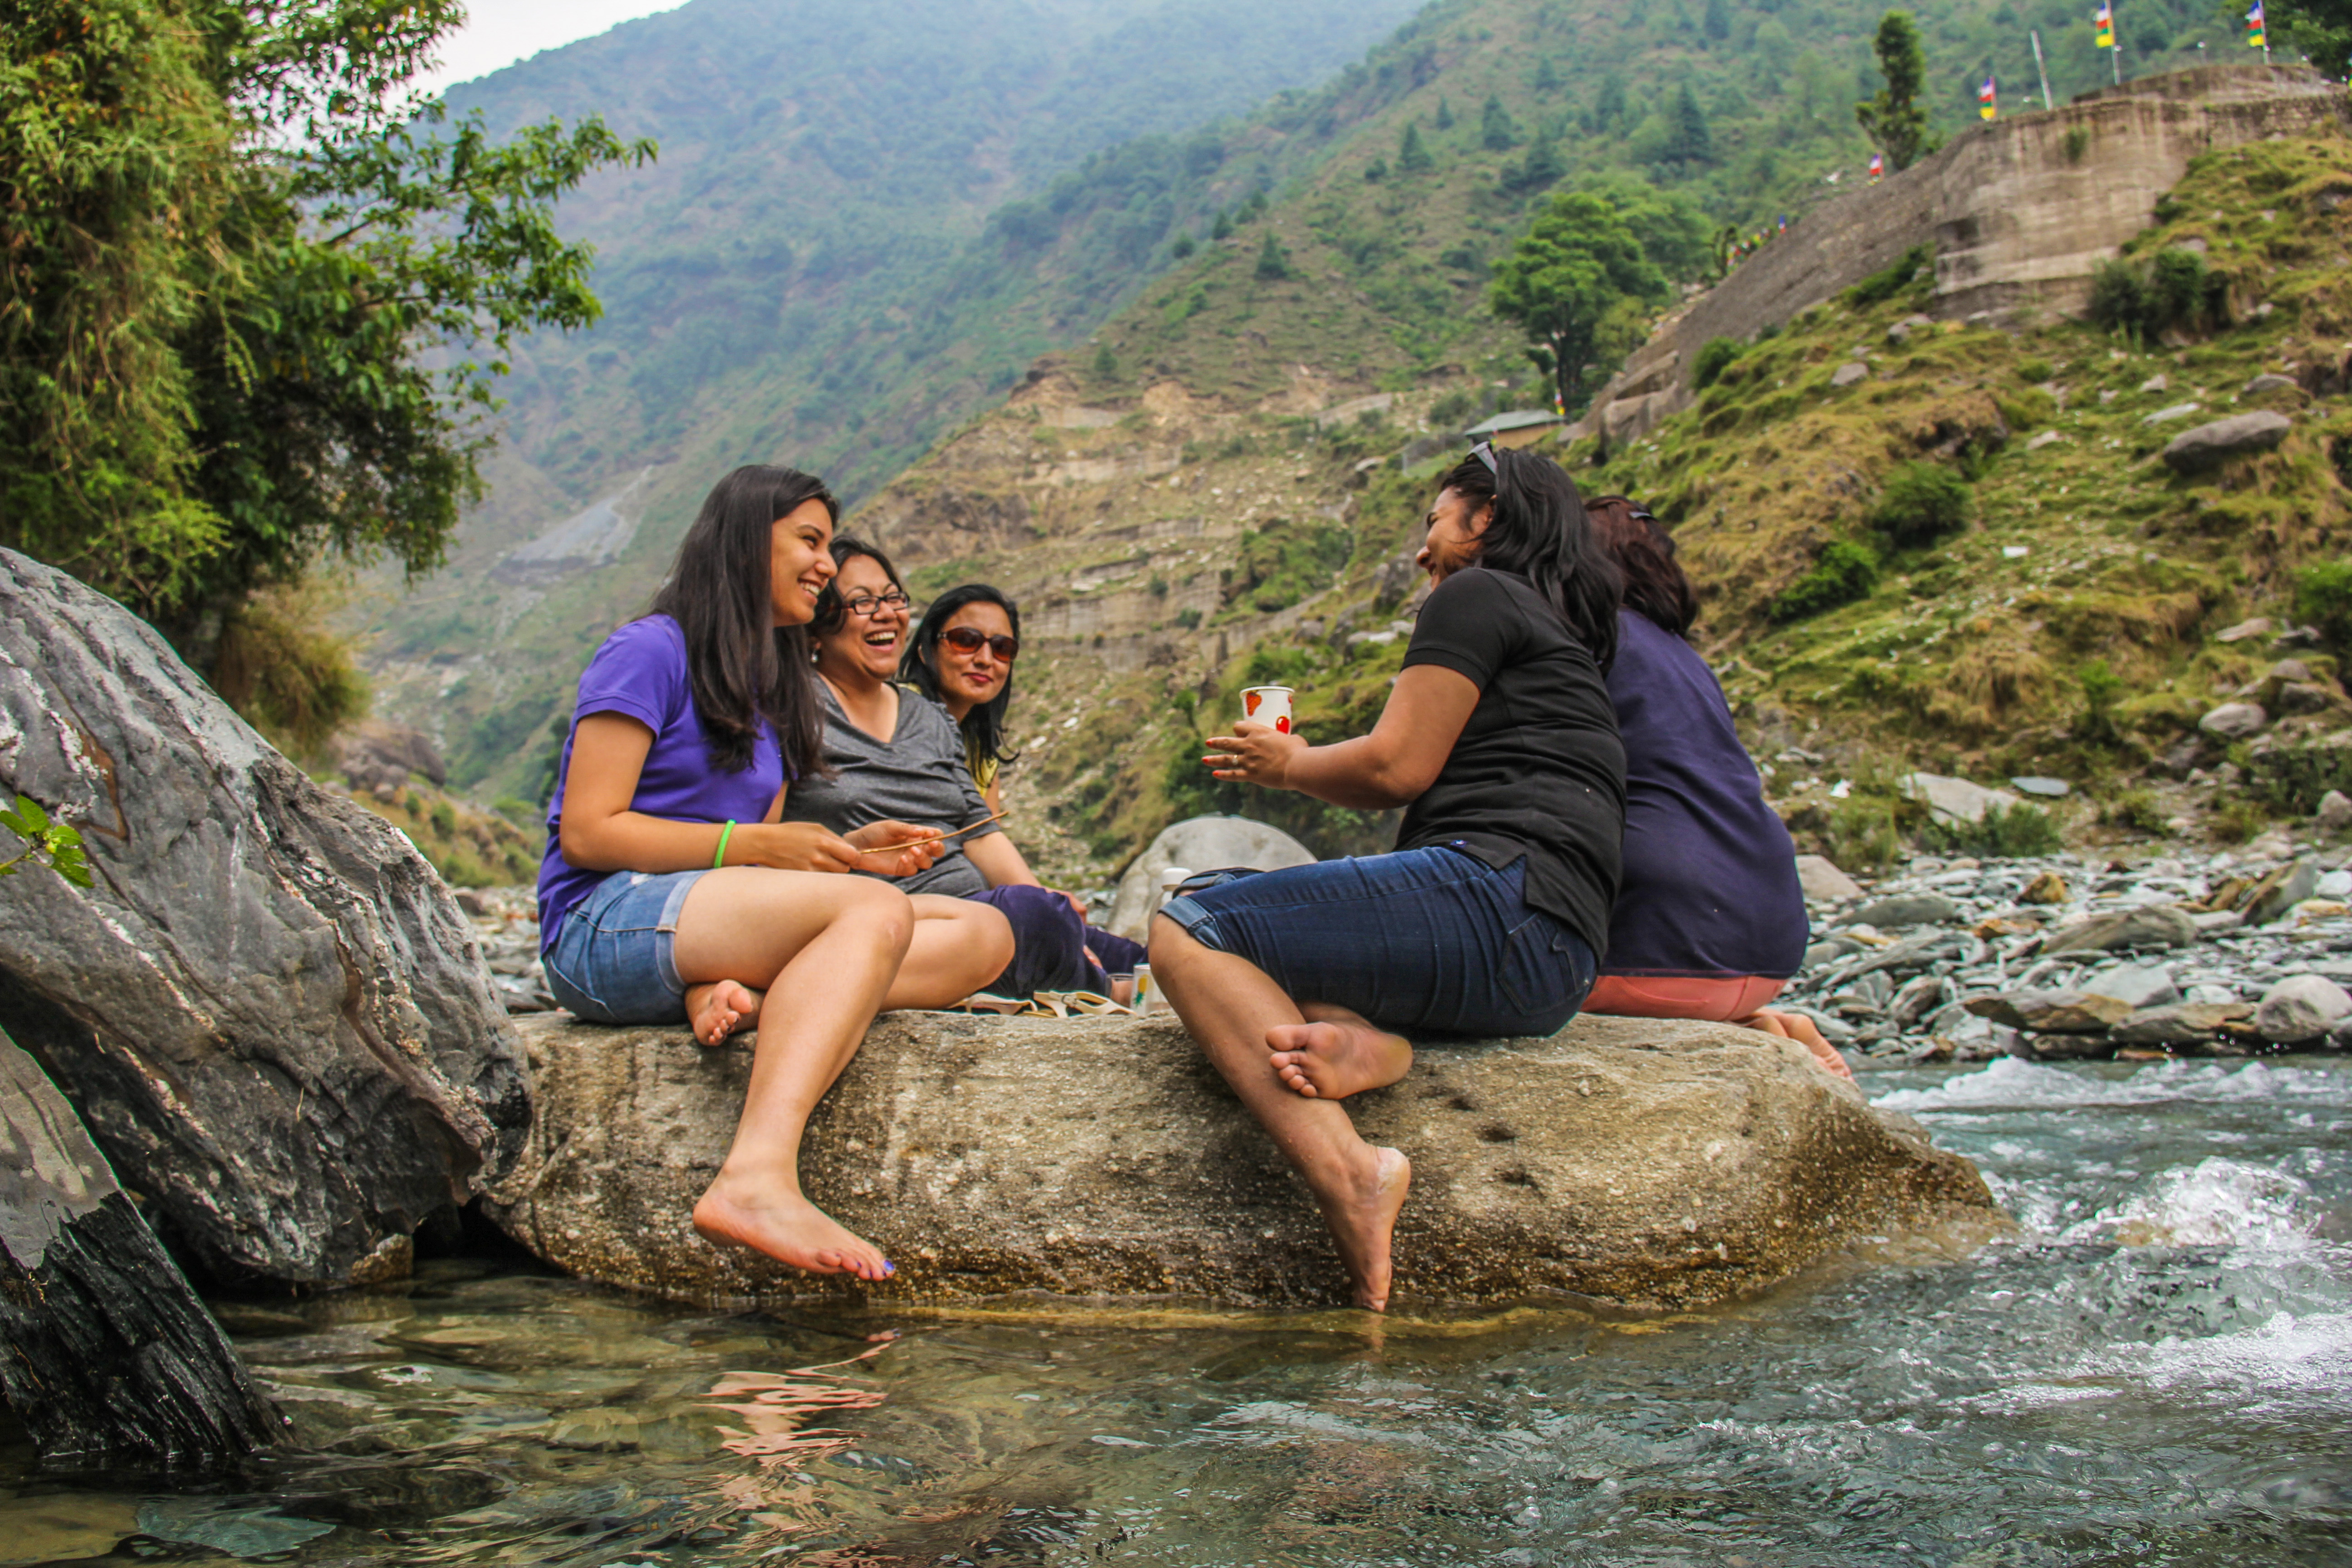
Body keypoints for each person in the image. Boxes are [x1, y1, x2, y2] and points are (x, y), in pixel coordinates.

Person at [1147, 443, 1627, 1312]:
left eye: (1436, 521)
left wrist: (1288, 765)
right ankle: (1375, 1046)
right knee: (1280, 958)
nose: (1422, 550)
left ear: (1486, 521)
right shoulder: (1562, 640)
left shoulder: (1475, 594)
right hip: (1556, 962)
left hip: (1499, 899)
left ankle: (1351, 1171)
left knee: (1193, 924)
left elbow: (1393, 769)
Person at [536, 466, 1014, 1283]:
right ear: (743, 537)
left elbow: (755, 856)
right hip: (599, 921)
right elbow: (587, 833)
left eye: (828, 543)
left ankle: (761, 999)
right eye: (810, 540)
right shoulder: (651, 649)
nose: (827, 564)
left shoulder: (775, 686)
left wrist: (846, 852)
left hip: (695, 924)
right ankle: (754, 1176)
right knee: (872, 917)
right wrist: (760, 849)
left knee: (986, 931)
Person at [785, 542, 1140, 999]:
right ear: (817, 625)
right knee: (1028, 919)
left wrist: (1054, 910)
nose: (885, 613)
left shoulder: (930, 719)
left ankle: (1113, 978)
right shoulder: (792, 708)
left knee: (1161, 953)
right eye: (863, 602)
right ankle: (1109, 992)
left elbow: (980, 831)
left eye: (893, 599)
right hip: (906, 925)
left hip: (989, 910)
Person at [1578, 496, 1850, 1081]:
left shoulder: (1587, 642)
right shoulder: (1686, 657)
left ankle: (1759, 1027)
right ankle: (1762, 1025)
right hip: (1767, 940)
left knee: (1482, 981)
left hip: (1663, 942)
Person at [902, 580, 1147, 983]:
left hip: (983, 905)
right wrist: (1042, 904)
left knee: (1137, 960)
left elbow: (985, 842)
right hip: (936, 916)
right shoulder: (900, 716)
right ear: (928, 649)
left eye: (1002, 649)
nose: (986, 659)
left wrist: (1049, 901)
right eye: (966, 641)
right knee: (1049, 925)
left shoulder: (980, 755)